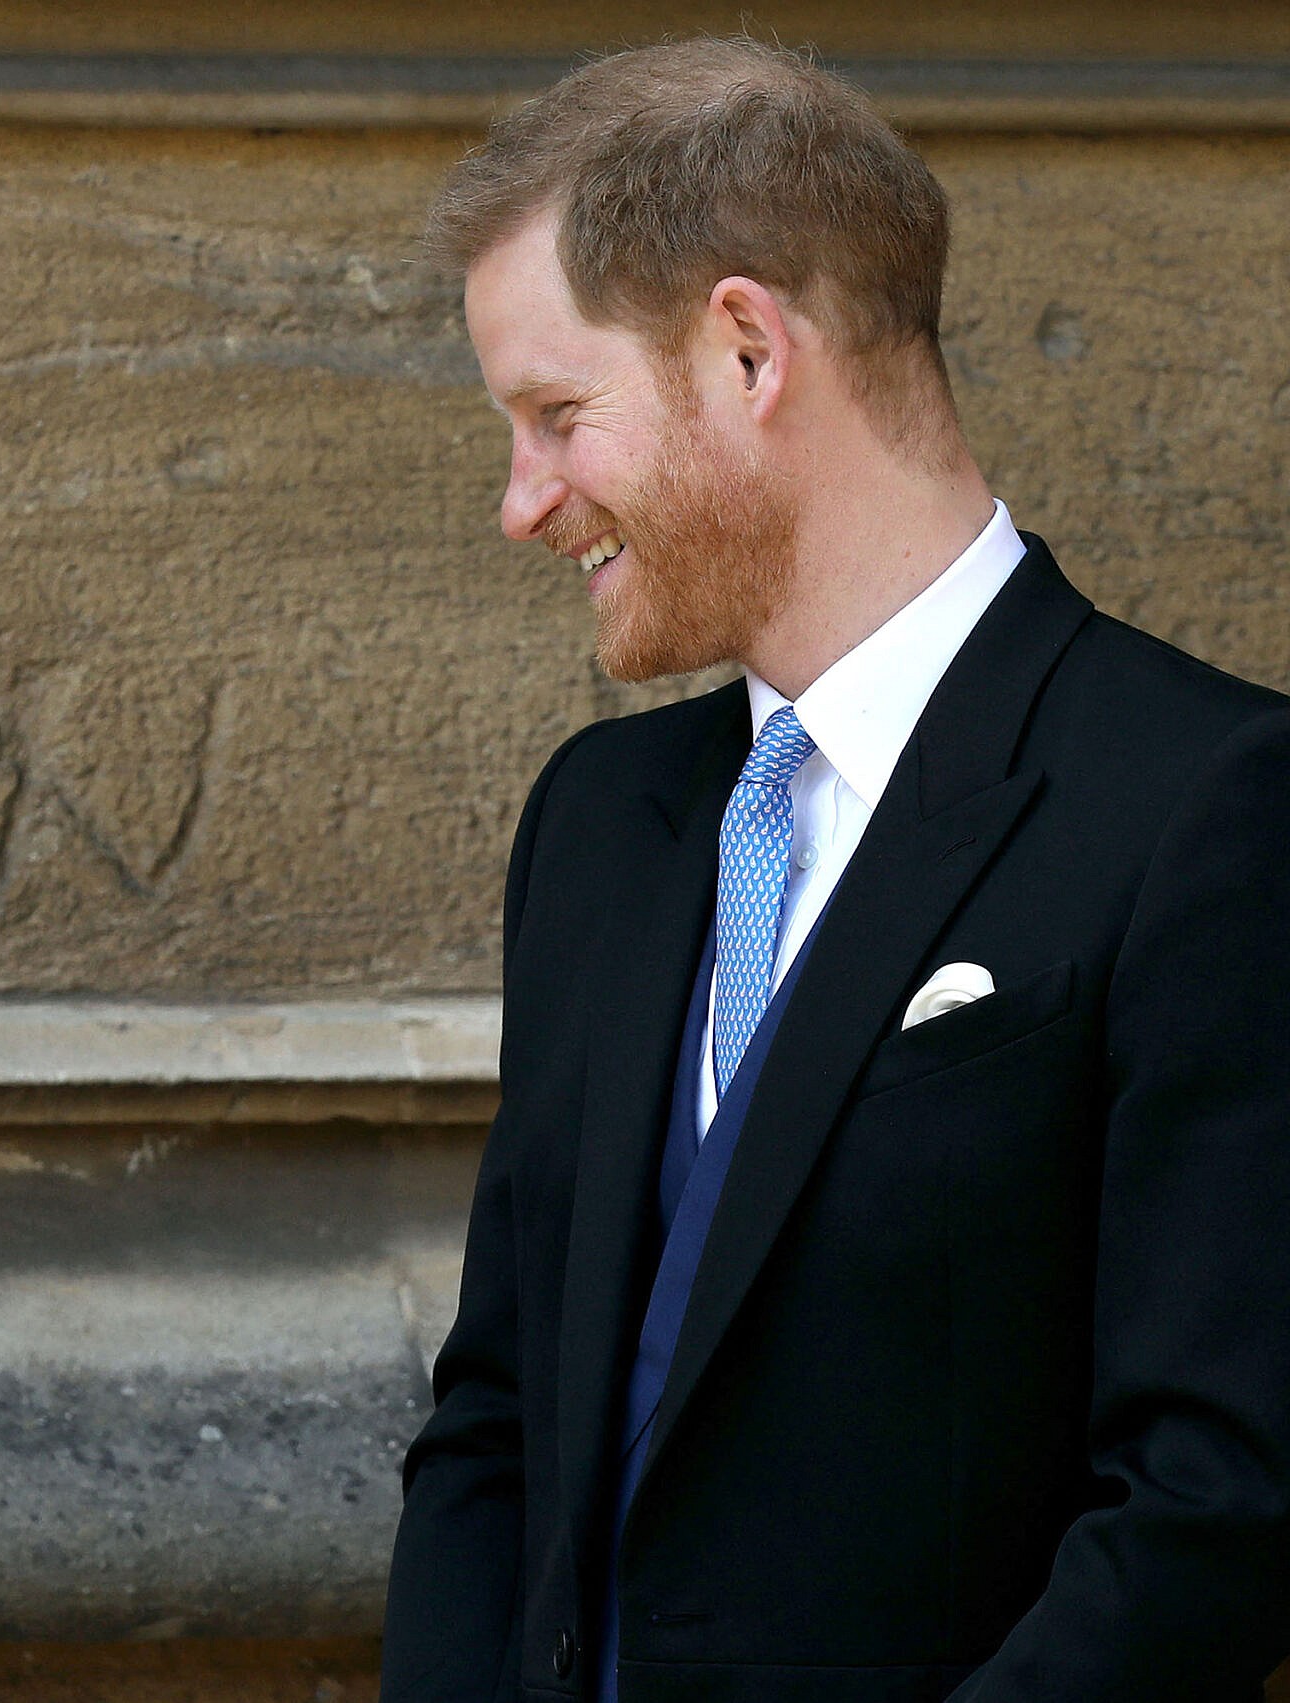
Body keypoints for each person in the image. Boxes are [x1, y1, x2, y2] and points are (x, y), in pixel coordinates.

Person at [381, 38, 1290, 1703]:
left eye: (556, 415)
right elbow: (499, 1420)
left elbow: (1215, 1510)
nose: (522, 504)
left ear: (746, 350)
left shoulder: (1212, 808)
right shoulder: (601, 821)